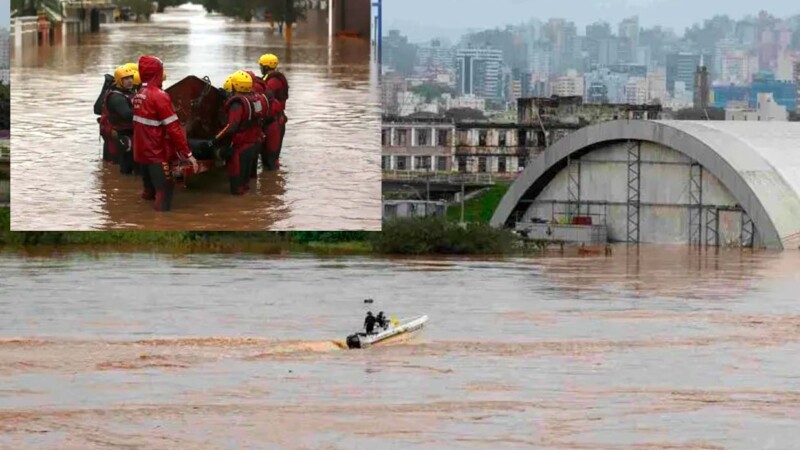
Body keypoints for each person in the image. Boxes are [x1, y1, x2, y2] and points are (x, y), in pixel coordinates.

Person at [132, 55, 198, 211]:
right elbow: (174, 129)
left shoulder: (139, 94)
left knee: (148, 193)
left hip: (141, 154)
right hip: (156, 154)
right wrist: (188, 155)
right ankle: (162, 225)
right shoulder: (160, 96)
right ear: (157, 72)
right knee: (164, 195)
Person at [208, 71, 263, 195]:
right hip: (253, 145)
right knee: (246, 184)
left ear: (235, 86)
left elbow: (232, 126)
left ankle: (238, 211)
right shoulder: (256, 99)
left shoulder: (237, 104)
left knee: (237, 188)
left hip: (241, 147)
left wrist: (214, 140)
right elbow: (260, 117)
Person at [100, 66, 137, 175]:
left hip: (129, 134)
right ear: (119, 80)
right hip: (122, 136)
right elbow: (127, 115)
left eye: (131, 77)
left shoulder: (128, 92)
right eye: (126, 79)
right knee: (126, 167)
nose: (130, 81)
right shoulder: (116, 98)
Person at [258, 53, 289, 171]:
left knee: (271, 158)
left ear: (266, 67)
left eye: (261, 66)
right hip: (272, 120)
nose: (260, 68)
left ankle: (273, 183)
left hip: (275, 122)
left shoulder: (274, 80)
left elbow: (265, 95)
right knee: (266, 157)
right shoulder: (271, 78)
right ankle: (270, 183)